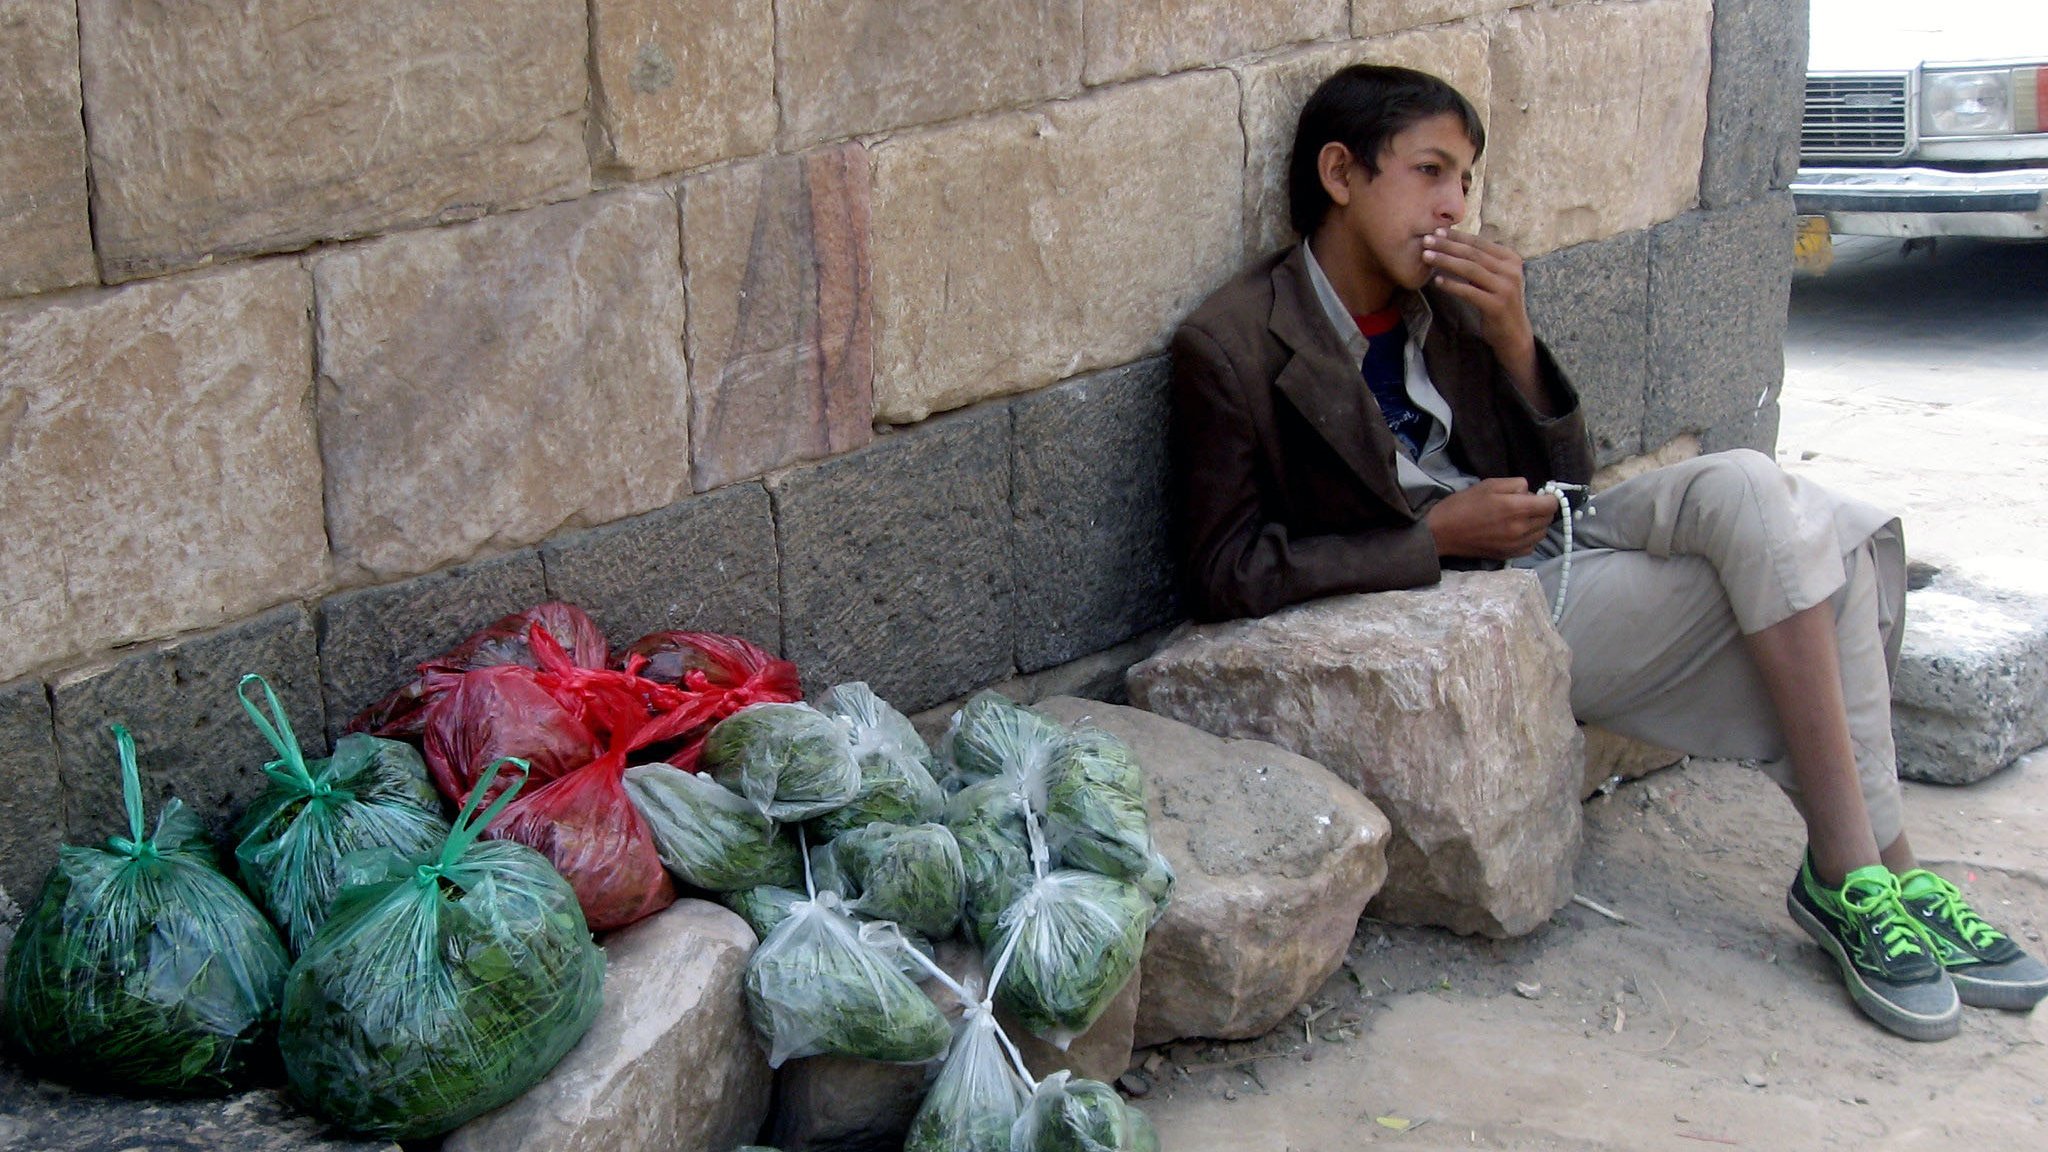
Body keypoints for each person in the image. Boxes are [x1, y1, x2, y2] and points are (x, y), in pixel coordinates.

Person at [1168, 63, 2048, 1041]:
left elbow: (1564, 480)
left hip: (1551, 548)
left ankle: (1853, 873)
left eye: (1465, 180)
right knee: (1826, 568)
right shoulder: (1233, 341)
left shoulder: (1451, 297)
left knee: (1757, 493)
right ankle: (1875, 872)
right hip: (1459, 595)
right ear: (1339, 173)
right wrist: (1427, 539)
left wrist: (1512, 340)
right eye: (1429, 172)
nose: (1454, 205)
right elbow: (1223, 566)